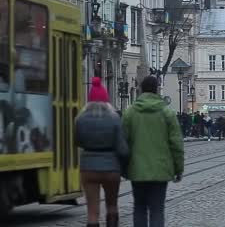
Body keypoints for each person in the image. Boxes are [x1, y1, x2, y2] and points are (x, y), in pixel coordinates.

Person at [122, 76, 184, 227]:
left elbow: (122, 142)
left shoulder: (130, 113)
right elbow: (176, 144)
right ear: (157, 89)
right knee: (157, 210)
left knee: (139, 208)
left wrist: (124, 168)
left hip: (137, 170)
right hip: (160, 170)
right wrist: (178, 168)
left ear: (141, 89)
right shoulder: (167, 113)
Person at [75, 79, 127, 227]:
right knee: (112, 205)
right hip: (111, 168)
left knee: (92, 211)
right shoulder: (114, 118)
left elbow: (77, 141)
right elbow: (122, 148)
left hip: (88, 167)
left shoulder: (80, 119)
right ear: (106, 101)